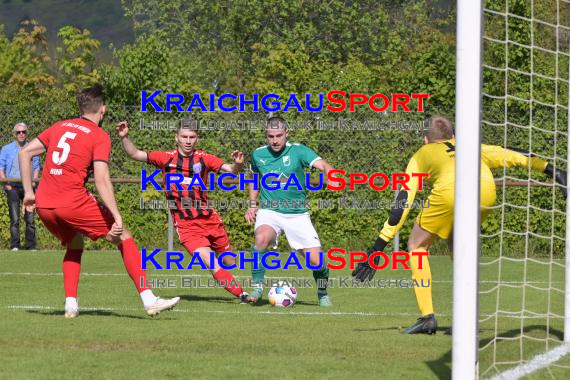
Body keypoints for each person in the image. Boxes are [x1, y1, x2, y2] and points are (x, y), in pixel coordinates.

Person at [352, 116, 567, 334]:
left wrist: (377, 249)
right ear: (453, 136)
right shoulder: (470, 147)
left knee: (417, 245)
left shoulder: (421, 154)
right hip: (485, 192)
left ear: (426, 140)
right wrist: (554, 171)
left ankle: (428, 317)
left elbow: (402, 204)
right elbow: (513, 155)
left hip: (449, 193)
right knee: (458, 246)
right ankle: (466, 317)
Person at [18, 84, 180, 318]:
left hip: (44, 203)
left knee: (75, 243)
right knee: (124, 235)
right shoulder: (99, 135)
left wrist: (28, 193)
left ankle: (71, 305)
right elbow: (102, 179)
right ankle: (149, 300)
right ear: (102, 110)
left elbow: (24, 153)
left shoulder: (59, 126)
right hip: (71, 202)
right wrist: (117, 215)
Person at [117, 120, 253, 303]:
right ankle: (242, 294)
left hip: (210, 220)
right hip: (186, 226)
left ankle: (231, 276)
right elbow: (134, 153)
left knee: (230, 262)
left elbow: (231, 170)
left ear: (197, 138)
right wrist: (125, 137)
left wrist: (238, 164)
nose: (188, 141)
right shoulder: (166, 158)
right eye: (184, 137)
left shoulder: (205, 158)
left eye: (192, 137)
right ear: (177, 138)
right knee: (210, 261)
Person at [245, 116, 336, 306]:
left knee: (316, 261)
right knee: (261, 239)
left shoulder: (299, 151)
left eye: (279, 135)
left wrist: (331, 174)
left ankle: (322, 291)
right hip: (270, 211)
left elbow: (322, 164)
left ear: (287, 133)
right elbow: (254, 178)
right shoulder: (258, 154)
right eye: (271, 136)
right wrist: (252, 203)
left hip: (297, 214)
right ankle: (257, 287)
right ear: (266, 136)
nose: (275, 140)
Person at [0, 122, 40, 251]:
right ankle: (15, 245)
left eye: (24, 132)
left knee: (30, 218)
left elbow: (36, 168)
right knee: (15, 217)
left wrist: (33, 183)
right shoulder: (6, 149)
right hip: (13, 186)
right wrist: (6, 184)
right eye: (19, 132)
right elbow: (1, 167)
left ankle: (31, 245)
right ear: (14, 134)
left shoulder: (33, 148)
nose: (21, 134)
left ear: (27, 133)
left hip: (28, 186)